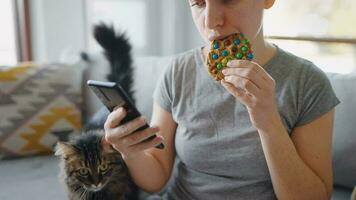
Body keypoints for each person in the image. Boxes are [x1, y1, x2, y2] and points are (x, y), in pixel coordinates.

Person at [103, 0, 340, 199]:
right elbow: (155, 179)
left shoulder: (307, 83)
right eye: (198, 2)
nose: (210, 21)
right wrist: (130, 151)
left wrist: (268, 122)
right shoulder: (178, 72)